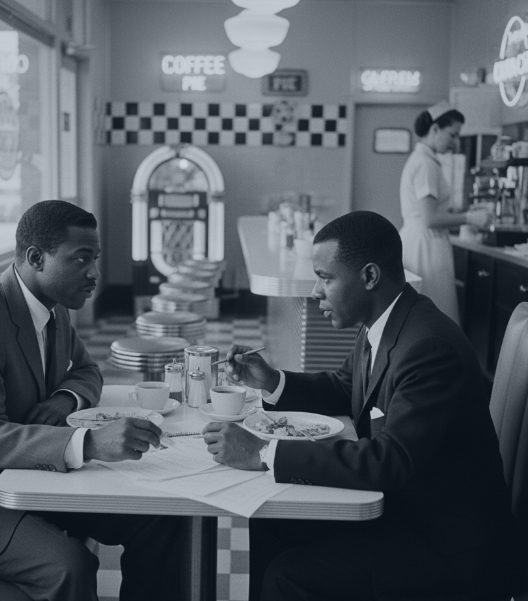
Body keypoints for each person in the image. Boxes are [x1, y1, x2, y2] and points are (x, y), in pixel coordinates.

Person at [203, 211, 520, 601]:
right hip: (410, 512)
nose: (316, 292)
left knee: (287, 576)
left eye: (325, 278)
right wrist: (271, 380)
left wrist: (264, 452)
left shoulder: (428, 347)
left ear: (369, 277)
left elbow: (389, 460)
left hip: (445, 546)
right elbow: (344, 386)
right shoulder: (387, 322)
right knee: (273, 521)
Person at [0, 200, 187, 601]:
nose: (94, 274)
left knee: (163, 518)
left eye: (95, 258)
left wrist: (64, 399)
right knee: (70, 565)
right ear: (36, 258)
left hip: (31, 473)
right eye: (81, 258)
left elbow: (87, 371)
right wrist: (89, 442)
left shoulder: (51, 306)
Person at [399, 100, 489, 324]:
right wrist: (470, 218)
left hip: (420, 239)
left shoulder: (425, 160)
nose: (455, 143)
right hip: (425, 244)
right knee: (432, 312)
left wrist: (459, 212)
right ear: (435, 129)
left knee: (426, 312)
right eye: (452, 135)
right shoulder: (425, 165)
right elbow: (430, 218)